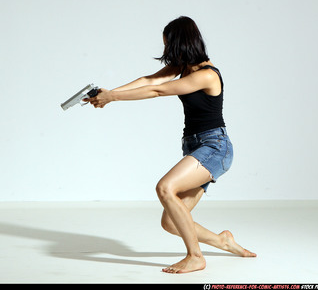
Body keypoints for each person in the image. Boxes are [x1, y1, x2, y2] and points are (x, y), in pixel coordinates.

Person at [84, 16, 256, 274]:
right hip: (195, 147)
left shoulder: (207, 75)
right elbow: (149, 81)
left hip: (215, 147)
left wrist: (114, 98)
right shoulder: (184, 67)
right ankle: (222, 241)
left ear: (182, 44)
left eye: (170, 46)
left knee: (165, 188)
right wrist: (109, 94)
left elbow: (160, 91)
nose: (167, 53)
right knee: (171, 222)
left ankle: (195, 257)